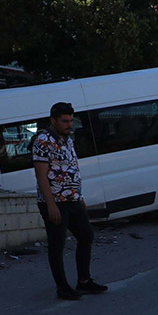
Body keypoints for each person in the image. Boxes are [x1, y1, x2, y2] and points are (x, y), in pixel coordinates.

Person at [32, 102, 107, 301]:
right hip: (55, 201)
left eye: (70, 120)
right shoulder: (43, 141)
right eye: (64, 121)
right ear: (53, 120)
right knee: (57, 245)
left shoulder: (68, 140)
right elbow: (41, 176)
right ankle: (62, 287)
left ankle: (84, 281)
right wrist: (51, 205)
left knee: (86, 235)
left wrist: (79, 196)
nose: (68, 124)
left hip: (72, 199)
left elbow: (72, 169)